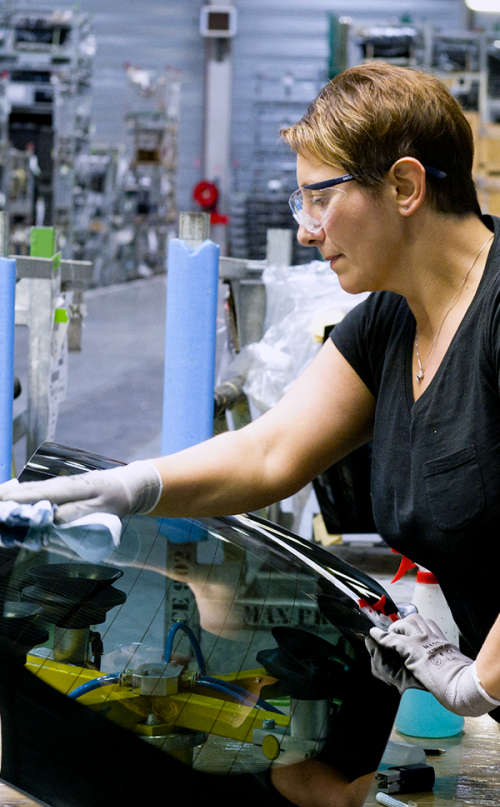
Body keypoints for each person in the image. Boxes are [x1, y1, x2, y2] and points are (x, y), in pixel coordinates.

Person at [3, 60, 500, 722]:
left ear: (406, 186)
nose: (306, 228)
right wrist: (126, 486)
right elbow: (270, 451)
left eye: (320, 198)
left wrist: (478, 684)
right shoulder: (392, 322)